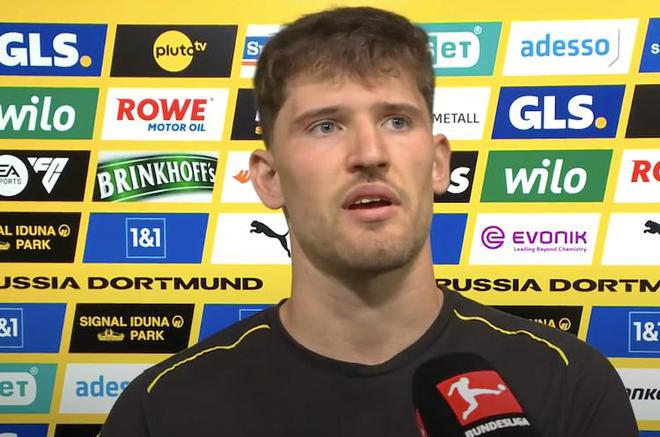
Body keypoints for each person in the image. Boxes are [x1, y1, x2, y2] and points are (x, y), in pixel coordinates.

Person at [100, 7, 638, 436]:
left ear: (438, 164)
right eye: (326, 126)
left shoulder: (569, 384)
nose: (370, 154)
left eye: (397, 121)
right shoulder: (163, 409)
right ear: (269, 177)